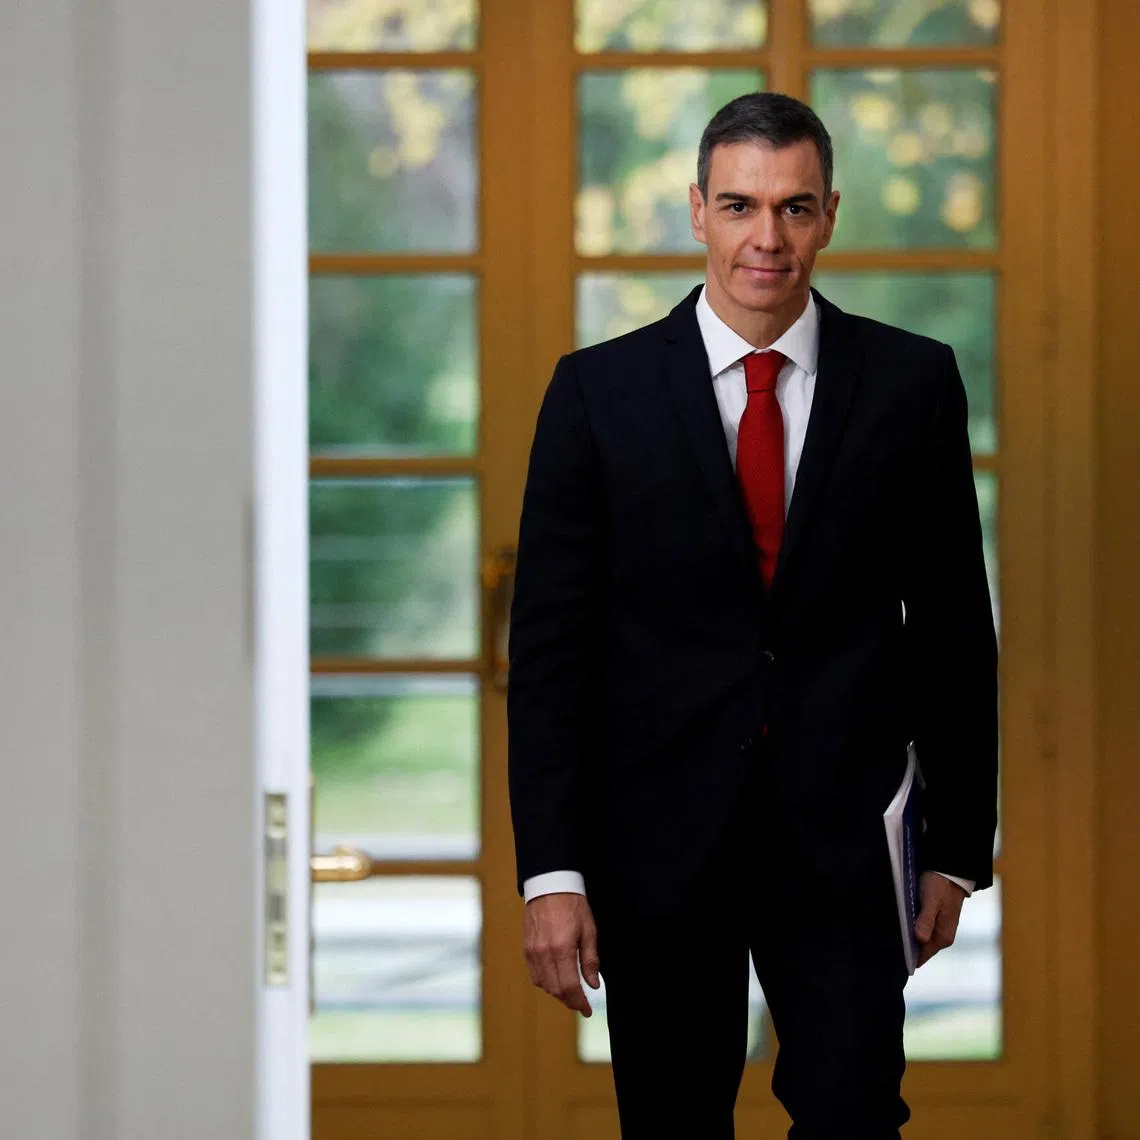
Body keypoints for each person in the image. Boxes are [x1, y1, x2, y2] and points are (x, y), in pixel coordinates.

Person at [506, 91, 998, 1139]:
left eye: (793, 207)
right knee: (674, 1122)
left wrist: (956, 848)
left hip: (845, 841)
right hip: (656, 844)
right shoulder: (599, 394)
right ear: (697, 211)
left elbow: (954, 627)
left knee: (854, 1115)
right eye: (739, 205)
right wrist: (551, 872)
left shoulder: (913, 384)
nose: (765, 238)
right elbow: (551, 652)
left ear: (829, 216)